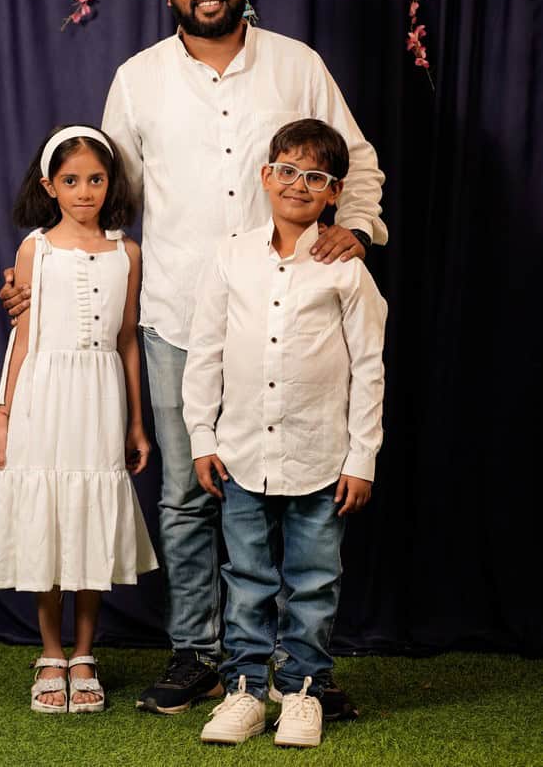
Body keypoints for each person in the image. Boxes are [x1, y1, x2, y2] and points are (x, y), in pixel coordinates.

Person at [0, 0, 387, 716]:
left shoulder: (297, 65)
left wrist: (358, 226)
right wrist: (44, 274)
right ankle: (198, 656)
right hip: (178, 316)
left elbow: (357, 160)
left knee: (292, 494)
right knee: (186, 495)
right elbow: (107, 198)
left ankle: (292, 669)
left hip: (292, 316)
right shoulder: (138, 78)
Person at [182, 118, 387, 747]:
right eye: (288, 171)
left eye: (316, 177)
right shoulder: (231, 256)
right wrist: (202, 437)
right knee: (247, 580)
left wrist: (362, 458)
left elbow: (369, 367)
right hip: (242, 453)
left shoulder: (346, 270)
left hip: (321, 457)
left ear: (335, 192)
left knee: (314, 581)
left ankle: (302, 692)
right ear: (266, 175)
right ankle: (245, 692)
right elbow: (206, 351)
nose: (299, 185)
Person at [0, 125, 158, 714]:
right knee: (50, 519)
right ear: (49, 186)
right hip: (43, 396)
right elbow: (23, 338)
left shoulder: (127, 253)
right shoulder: (36, 249)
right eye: (71, 180)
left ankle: (85, 654)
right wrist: (3, 418)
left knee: (88, 521)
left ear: (111, 184)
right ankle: (51, 653)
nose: (85, 191)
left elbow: (127, 341)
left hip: (99, 398)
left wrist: (136, 423)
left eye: (96, 179)